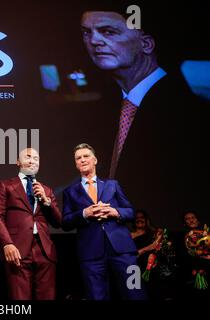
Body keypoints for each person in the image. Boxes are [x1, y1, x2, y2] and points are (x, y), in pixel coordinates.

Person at [79, 4, 206, 225]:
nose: (94, 41)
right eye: (87, 32)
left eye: (108, 31)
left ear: (146, 43)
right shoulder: (103, 106)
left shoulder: (188, 108)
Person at [62, 143, 146, 300]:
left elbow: (131, 212)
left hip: (123, 250)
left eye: (86, 156)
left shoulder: (112, 185)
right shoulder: (70, 192)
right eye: (78, 158)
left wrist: (115, 212)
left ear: (95, 160)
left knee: (135, 292)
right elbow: (65, 222)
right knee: (96, 296)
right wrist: (84, 213)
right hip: (91, 254)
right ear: (75, 164)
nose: (82, 160)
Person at [0, 147, 62, 300]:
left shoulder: (46, 190)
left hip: (44, 251)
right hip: (17, 249)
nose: (32, 161)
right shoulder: (6, 185)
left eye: (36, 158)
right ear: (18, 162)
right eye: (28, 157)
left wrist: (46, 201)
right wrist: (7, 244)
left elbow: (58, 222)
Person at [176, 211, 210, 300]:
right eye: (187, 219)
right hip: (192, 270)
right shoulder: (182, 236)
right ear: (184, 223)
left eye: (193, 217)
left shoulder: (206, 233)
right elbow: (183, 254)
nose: (191, 220)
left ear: (198, 220)